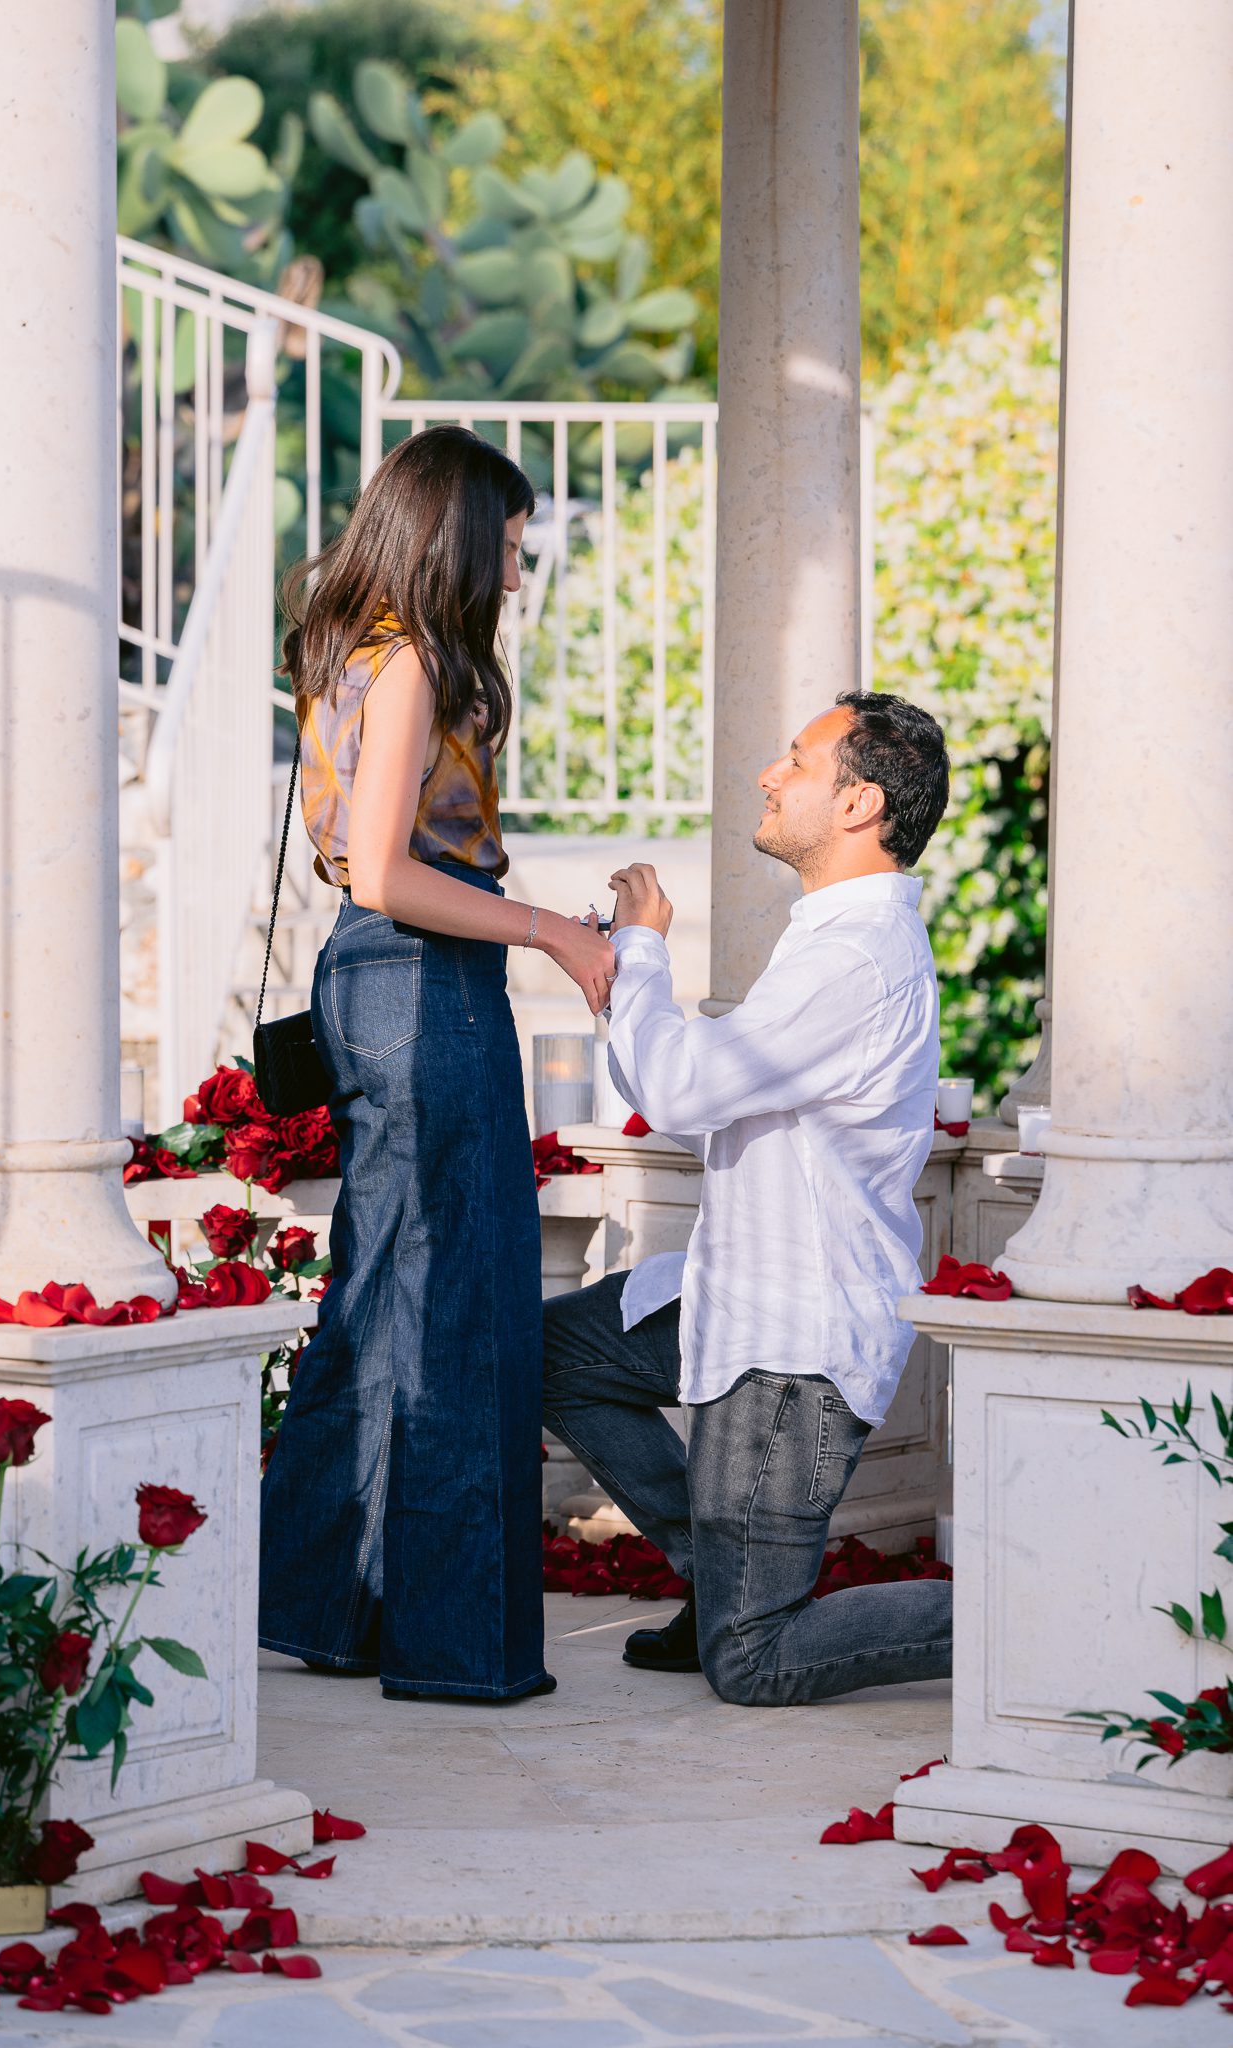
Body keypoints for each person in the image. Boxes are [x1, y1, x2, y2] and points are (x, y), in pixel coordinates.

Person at [260, 426, 616, 1703]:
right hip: (420, 978)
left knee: (385, 1300)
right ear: (460, 537)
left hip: (380, 979)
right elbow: (388, 868)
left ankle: (327, 1605)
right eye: (511, 549)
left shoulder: (352, 653)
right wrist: (552, 929)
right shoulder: (408, 659)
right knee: (462, 1300)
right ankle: (457, 1644)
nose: (517, 576)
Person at [543, 692, 954, 1706]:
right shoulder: (831, 936)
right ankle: (716, 1572)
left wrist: (642, 948)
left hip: (791, 1342)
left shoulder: (852, 956)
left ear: (857, 802)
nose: (770, 774)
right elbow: (707, 1078)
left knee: (755, 1658)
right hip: (740, 1290)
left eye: (796, 760)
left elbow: (684, 1086)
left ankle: (1027, 1616)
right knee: (552, 1353)